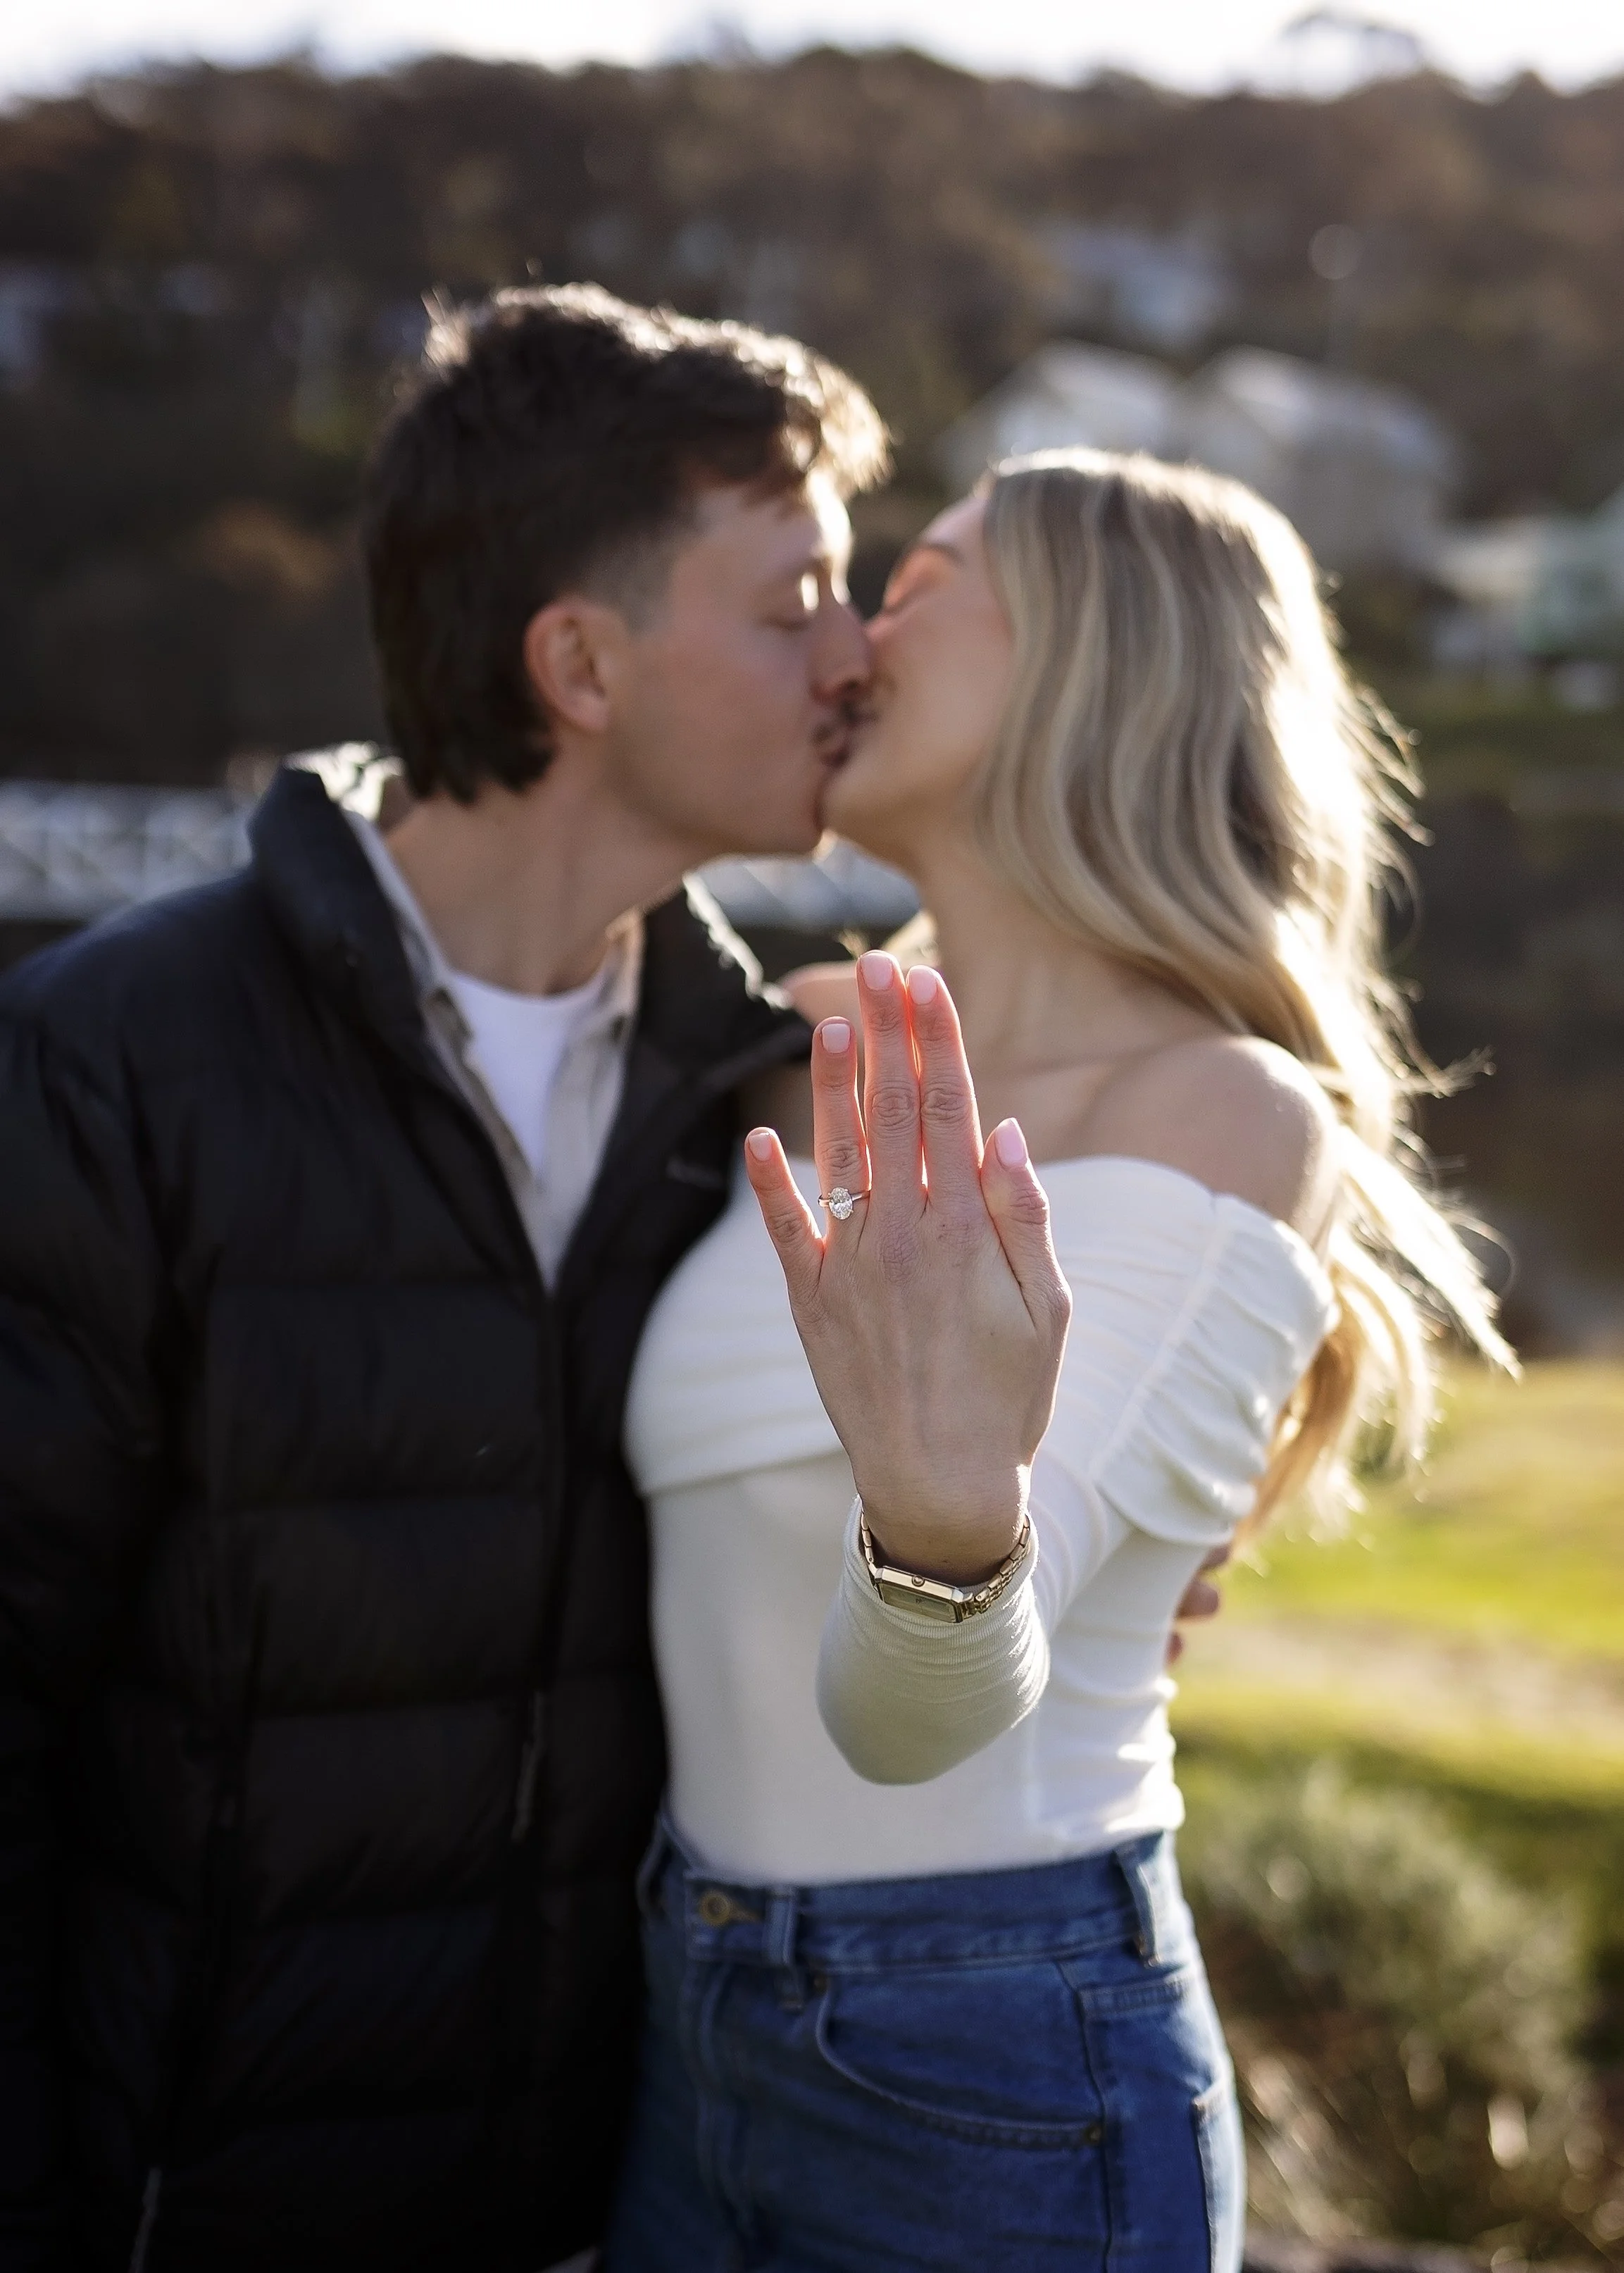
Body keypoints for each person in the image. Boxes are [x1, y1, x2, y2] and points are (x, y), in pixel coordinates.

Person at [0, 283, 894, 2273]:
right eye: (795, 602)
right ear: (577, 662)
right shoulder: (113, 1061)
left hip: (603, 2214)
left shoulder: (755, 1091)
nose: (858, 655)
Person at [610, 450, 1513, 2271]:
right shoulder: (772, 1058)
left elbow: (929, 1713)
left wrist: (948, 1528)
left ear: (1106, 657)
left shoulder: (1219, 1115)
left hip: (994, 2058)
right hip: (675, 2015)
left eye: (922, 585)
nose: (852, 640)